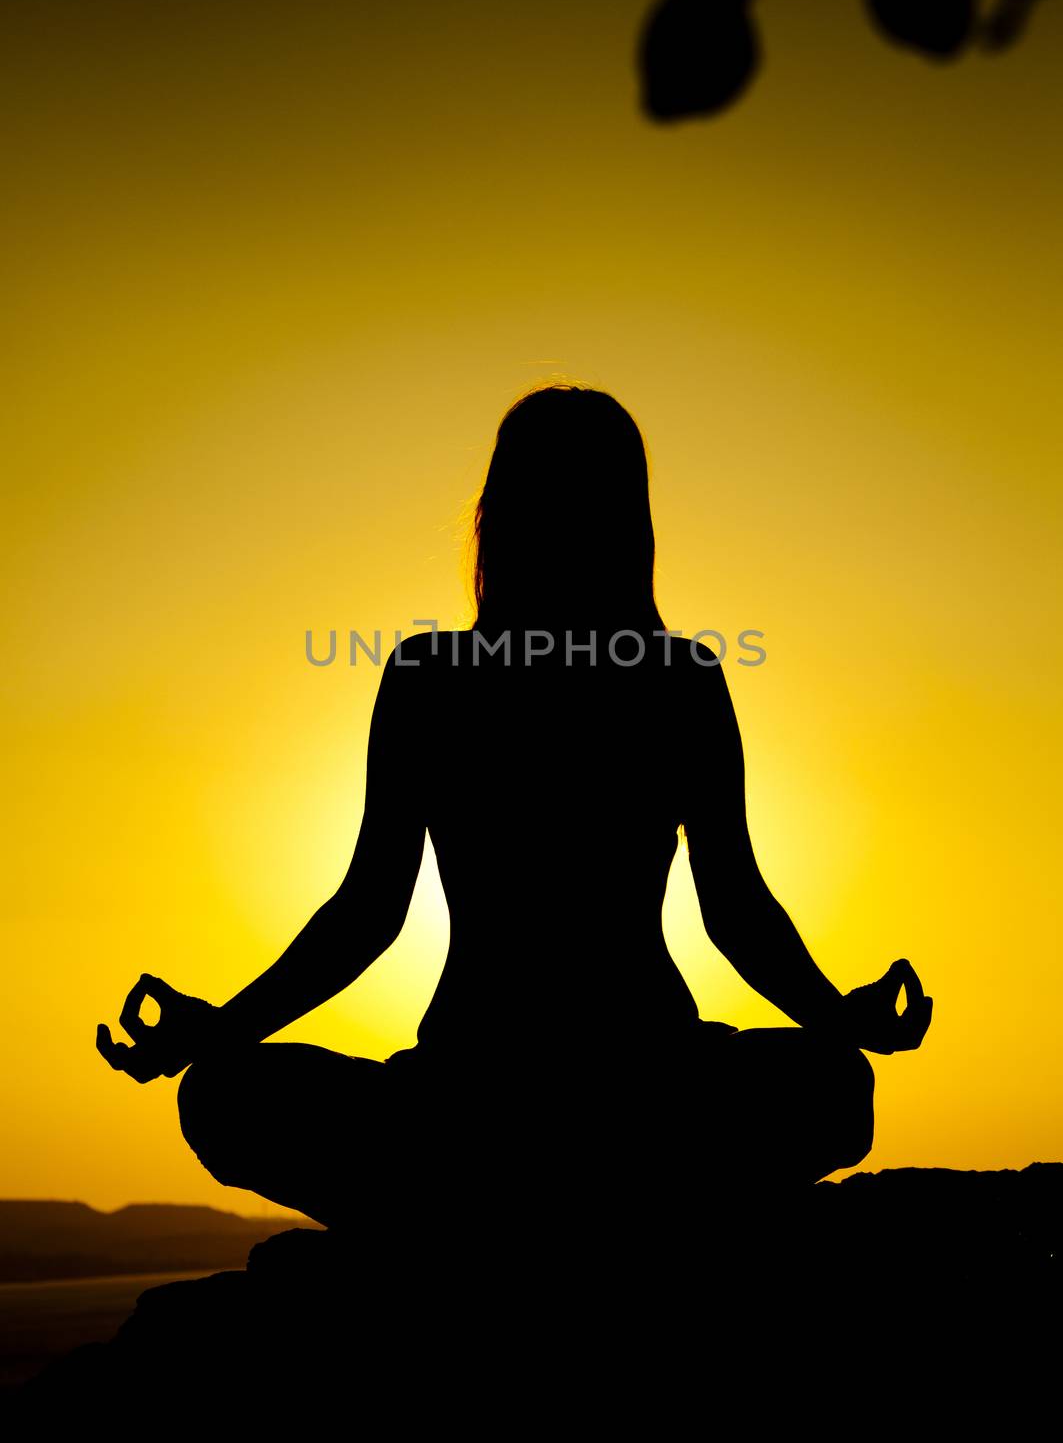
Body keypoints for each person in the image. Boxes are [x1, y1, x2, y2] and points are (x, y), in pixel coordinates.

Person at [97, 384, 932, 1239]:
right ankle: (628, 1197)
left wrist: (220, 1032)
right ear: (630, 520)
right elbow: (735, 909)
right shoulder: (675, 678)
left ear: (497, 513)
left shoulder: (440, 677)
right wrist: (839, 1019)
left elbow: (368, 914)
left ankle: (465, 1206)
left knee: (223, 1095)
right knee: (831, 1084)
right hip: (632, 1094)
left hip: (482, 1097)